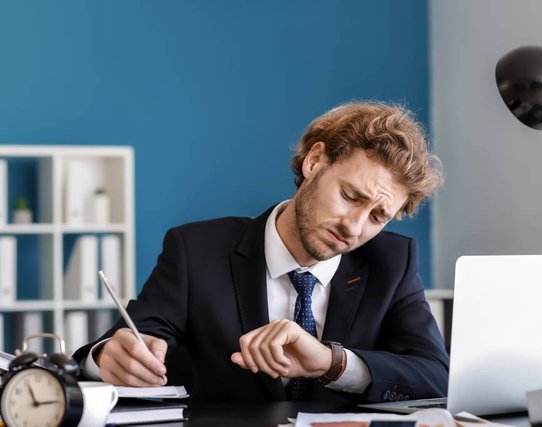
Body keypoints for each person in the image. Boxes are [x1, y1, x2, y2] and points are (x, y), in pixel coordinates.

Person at [73, 101, 449, 404]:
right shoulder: (195, 251)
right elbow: (131, 340)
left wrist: (330, 362)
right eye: (350, 196)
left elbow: (436, 376)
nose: (354, 226)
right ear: (315, 161)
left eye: (378, 216)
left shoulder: (392, 263)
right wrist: (107, 357)